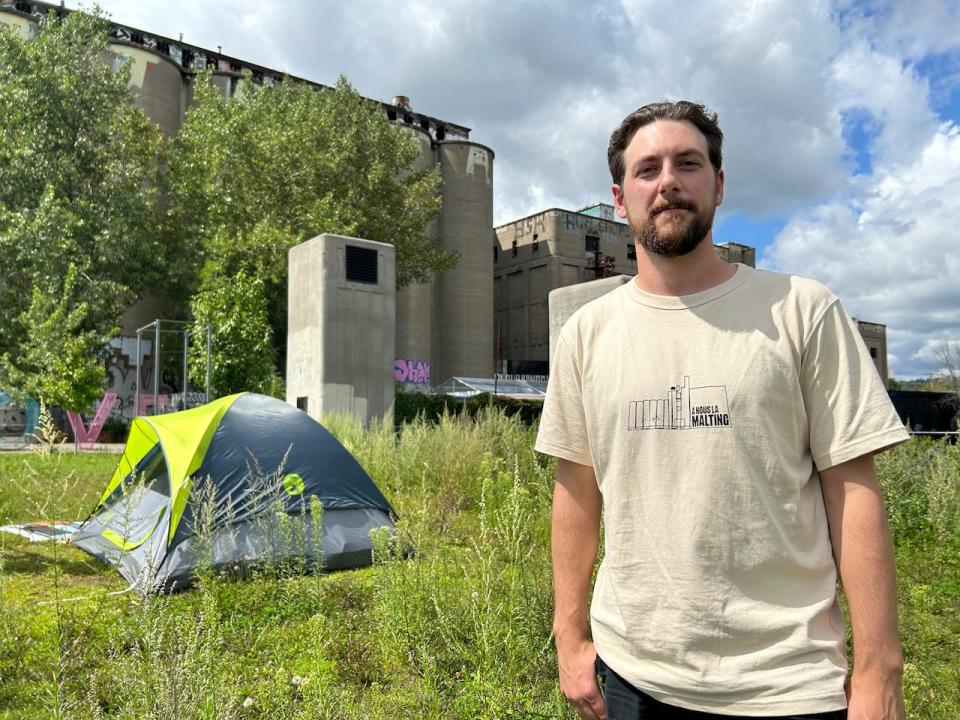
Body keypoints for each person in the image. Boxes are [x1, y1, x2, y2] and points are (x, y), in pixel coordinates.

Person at [535, 101, 909, 720]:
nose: (669, 181)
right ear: (620, 197)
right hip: (631, 676)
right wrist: (570, 639)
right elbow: (576, 490)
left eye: (688, 163)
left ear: (719, 184)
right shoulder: (586, 333)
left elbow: (853, 490)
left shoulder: (802, 310)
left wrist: (878, 668)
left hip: (785, 683)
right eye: (647, 169)